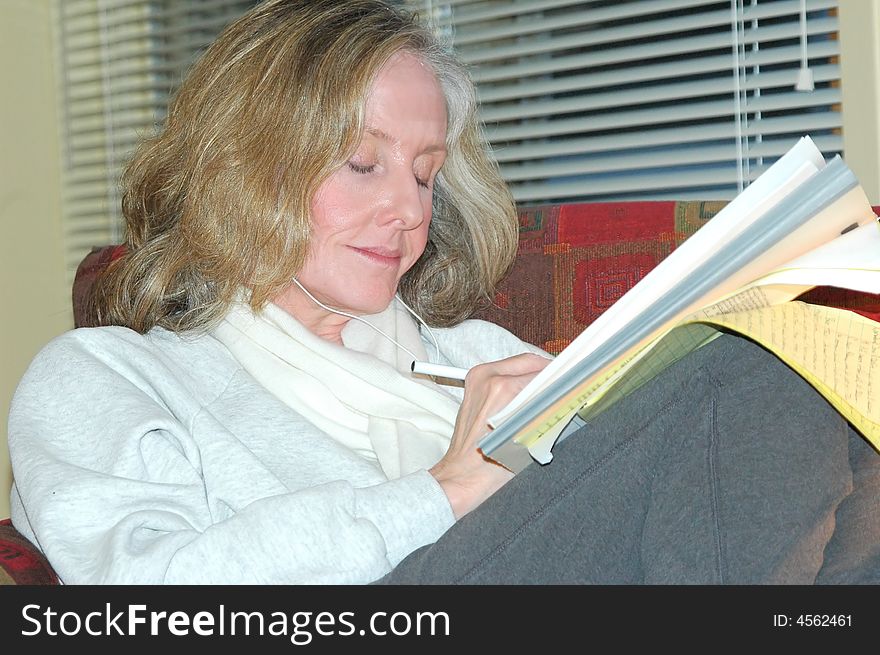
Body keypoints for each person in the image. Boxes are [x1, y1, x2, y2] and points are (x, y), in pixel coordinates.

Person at [7, 0, 879, 585]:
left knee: (811, 390)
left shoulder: (476, 358)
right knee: (750, 365)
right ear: (242, 169)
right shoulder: (109, 376)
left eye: (426, 176)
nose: (407, 210)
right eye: (362, 164)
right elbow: (151, 596)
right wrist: (450, 487)